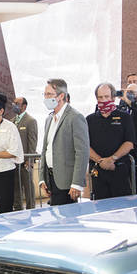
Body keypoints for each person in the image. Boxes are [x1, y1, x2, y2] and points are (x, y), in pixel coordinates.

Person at [38, 78, 90, 206]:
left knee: (67, 222)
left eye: (49, 94)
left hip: (68, 182)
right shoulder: (49, 119)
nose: (45, 98)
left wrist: (77, 183)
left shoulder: (75, 117)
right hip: (51, 179)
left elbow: (82, 152)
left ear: (61, 96)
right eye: (45, 94)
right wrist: (42, 178)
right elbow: (45, 150)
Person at [87, 83, 135, 200]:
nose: (103, 100)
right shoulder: (89, 119)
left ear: (113, 98)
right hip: (98, 170)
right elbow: (85, 145)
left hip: (118, 169)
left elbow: (129, 143)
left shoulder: (125, 117)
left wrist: (112, 159)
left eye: (106, 97)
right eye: (100, 97)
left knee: (122, 206)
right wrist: (101, 161)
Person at [12, 95, 37, 210]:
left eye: (17, 103)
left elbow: (32, 141)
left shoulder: (30, 121)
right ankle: (17, 210)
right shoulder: (12, 121)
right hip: (14, 161)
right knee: (16, 188)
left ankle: (31, 209)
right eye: (14, 103)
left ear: (24, 106)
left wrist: (30, 160)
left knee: (28, 187)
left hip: (26, 161)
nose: (14, 105)